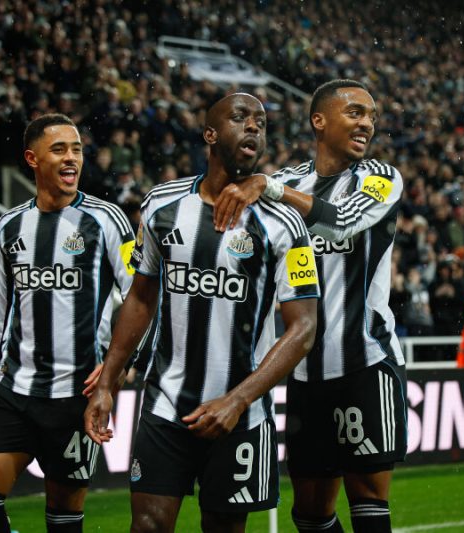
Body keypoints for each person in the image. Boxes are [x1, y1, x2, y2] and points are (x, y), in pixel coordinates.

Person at [84, 93, 319, 533]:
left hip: (241, 416)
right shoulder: (161, 204)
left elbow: (304, 328)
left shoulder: (285, 224)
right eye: (240, 118)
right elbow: (140, 298)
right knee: (147, 527)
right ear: (210, 134)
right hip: (165, 404)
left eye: (261, 122)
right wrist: (108, 382)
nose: (254, 127)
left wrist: (238, 400)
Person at [212, 79, 406, 532]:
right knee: (310, 514)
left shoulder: (380, 178)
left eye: (371, 116)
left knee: (368, 504)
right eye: (355, 113)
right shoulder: (286, 181)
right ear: (319, 120)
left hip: (365, 363)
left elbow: (341, 222)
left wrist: (268, 188)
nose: (367, 124)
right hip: (302, 373)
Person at [0, 113, 136, 533]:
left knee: (63, 518)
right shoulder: (10, 225)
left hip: (77, 397)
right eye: (59, 149)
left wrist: (118, 367)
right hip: (16, 391)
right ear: (33, 159)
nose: (71, 158)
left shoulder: (107, 219)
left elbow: (143, 299)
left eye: (76, 150)